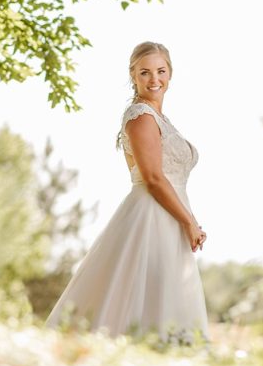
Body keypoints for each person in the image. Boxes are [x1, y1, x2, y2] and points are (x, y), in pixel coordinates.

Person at [45, 41, 209, 342]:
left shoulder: (160, 119)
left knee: (165, 295)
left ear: (171, 73)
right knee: (142, 296)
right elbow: (154, 178)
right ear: (133, 75)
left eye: (161, 71)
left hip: (172, 213)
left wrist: (189, 219)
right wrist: (188, 222)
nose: (154, 79)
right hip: (151, 215)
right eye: (145, 72)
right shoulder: (140, 117)